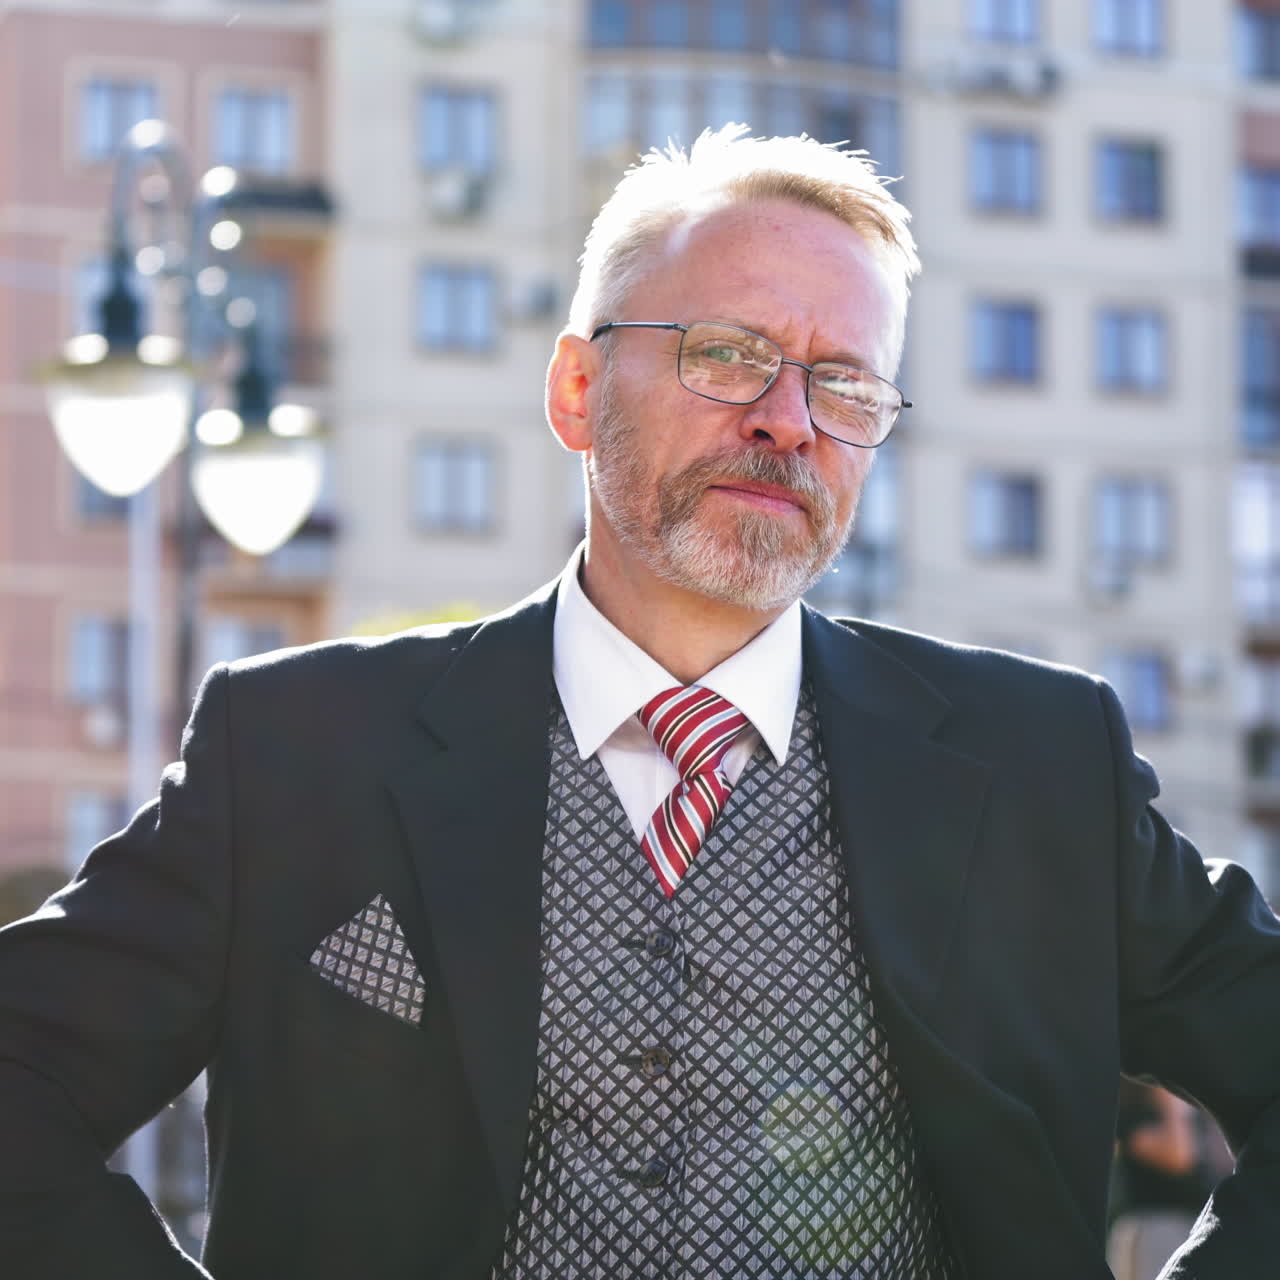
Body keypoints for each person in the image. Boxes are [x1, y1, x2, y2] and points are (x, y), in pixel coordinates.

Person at [2, 125, 1278, 1280]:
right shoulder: (291, 752)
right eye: (728, 354)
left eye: (843, 384)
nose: (787, 421)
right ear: (575, 391)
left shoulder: (1040, 760)